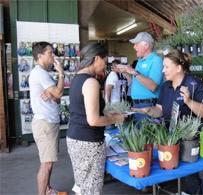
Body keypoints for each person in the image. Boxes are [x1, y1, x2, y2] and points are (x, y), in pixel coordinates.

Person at [133, 49, 203, 194]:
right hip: (182, 140)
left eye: (166, 67)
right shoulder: (166, 87)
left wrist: (189, 101)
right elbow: (160, 110)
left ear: (178, 68)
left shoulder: (193, 84)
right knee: (188, 173)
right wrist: (148, 110)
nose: (162, 70)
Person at [66, 43, 125, 195]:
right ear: (97, 58)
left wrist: (108, 116)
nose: (105, 64)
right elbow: (93, 120)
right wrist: (116, 119)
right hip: (88, 142)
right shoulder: (91, 82)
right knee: (91, 188)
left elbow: (84, 112)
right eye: (105, 60)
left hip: (75, 138)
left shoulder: (77, 78)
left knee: (83, 185)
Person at [29, 41, 64, 195]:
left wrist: (53, 93)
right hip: (46, 124)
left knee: (49, 162)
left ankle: (48, 190)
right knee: (46, 164)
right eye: (50, 53)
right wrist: (61, 73)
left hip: (48, 123)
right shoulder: (40, 73)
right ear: (40, 55)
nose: (53, 56)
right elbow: (59, 94)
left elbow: (56, 98)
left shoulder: (43, 73)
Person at [113, 32, 164, 122]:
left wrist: (133, 72)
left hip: (149, 105)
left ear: (146, 45)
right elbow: (135, 82)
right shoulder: (140, 61)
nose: (134, 47)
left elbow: (153, 86)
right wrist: (124, 72)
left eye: (136, 44)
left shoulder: (156, 60)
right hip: (137, 105)